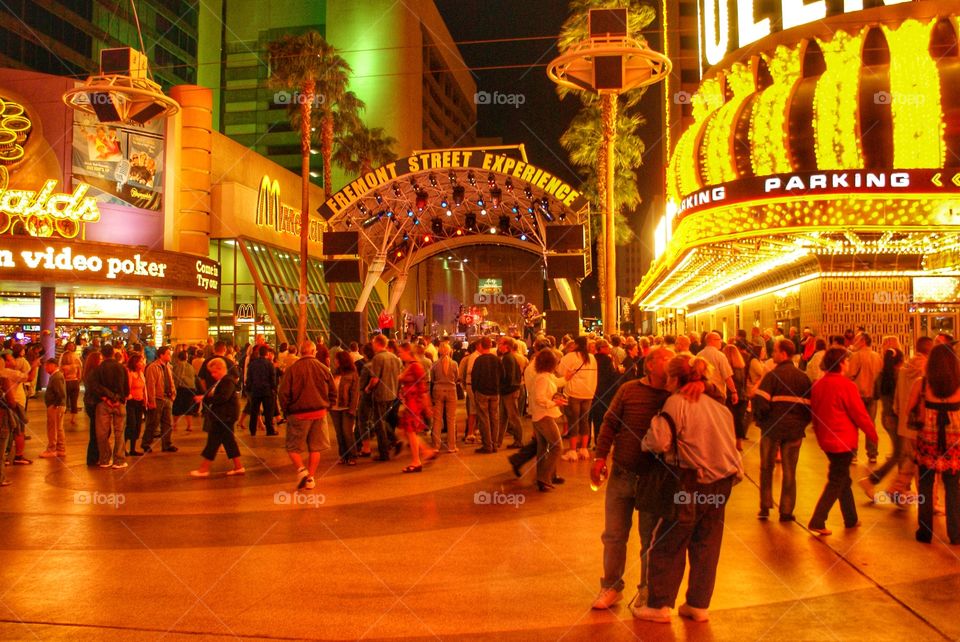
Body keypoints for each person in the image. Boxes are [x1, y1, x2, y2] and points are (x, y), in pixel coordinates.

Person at [634, 355, 743, 623]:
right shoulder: (719, 406)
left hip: (689, 483)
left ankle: (659, 606)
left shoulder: (675, 402)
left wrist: (644, 442)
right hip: (723, 483)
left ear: (674, 378)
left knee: (668, 543)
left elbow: (659, 442)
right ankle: (698, 605)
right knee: (707, 545)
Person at [808, 347, 879, 536]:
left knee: (843, 478)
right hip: (843, 440)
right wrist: (873, 434)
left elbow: (814, 415)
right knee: (836, 480)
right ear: (841, 363)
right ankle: (818, 519)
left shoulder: (818, 385)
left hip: (827, 440)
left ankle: (851, 518)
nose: (848, 364)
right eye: (846, 361)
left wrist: (819, 434)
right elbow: (859, 414)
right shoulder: (847, 386)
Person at [752, 339, 811, 522]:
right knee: (789, 471)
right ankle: (786, 511)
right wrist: (800, 424)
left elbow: (760, 401)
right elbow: (809, 408)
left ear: (784, 354)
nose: (773, 355)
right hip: (794, 431)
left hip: (772, 429)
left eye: (775, 351)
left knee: (766, 468)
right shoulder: (803, 377)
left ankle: (765, 506)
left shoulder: (772, 376)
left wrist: (763, 421)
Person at [912, 344, 960, 544]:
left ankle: (925, 532)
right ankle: (956, 533)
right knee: (953, 487)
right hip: (954, 443)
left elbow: (908, 409)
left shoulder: (922, 384)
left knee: (925, 485)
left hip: (927, 442)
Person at [278, 340, 336, 490]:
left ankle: (301, 470)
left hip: (298, 413)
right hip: (319, 412)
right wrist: (329, 405)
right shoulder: (323, 368)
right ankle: (310, 478)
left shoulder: (292, 369)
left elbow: (283, 393)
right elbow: (332, 391)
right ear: (314, 351)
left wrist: (287, 410)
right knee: (315, 447)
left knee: (292, 447)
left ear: (300, 352)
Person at [189, 357, 244, 477]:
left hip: (225, 416)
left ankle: (204, 469)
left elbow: (223, 397)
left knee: (214, 442)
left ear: (221, 369)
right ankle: (238, 467)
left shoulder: (227, 381)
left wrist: (205, 398)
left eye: (214, 372)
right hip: (223, 416)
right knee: (227, 442)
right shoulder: (224, 380)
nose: (212, 375)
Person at [528, 348, 567, 491]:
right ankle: (545, 478)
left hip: (542, 415)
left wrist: (568, 377)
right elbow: (539, 399)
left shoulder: (546, 376)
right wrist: (555, 403)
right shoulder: (543, 378)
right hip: (544, 415)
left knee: (543, 448)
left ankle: (547, 476)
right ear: (551, 363)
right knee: (557, 446)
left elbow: (557, 382)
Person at [396, 342, 437, 472]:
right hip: (410, 401)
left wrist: (427, 407)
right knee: (406, 431)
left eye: (401, 352)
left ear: (408, 352)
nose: (400, 355)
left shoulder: (415, 367)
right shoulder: (411, 365)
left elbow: (423, 389)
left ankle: (417, 460)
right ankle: (426, 452)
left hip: (413, 402)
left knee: (410, 431)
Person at [90, 344, 130, 469]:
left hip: (103, 403)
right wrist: (119, 398)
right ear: (113, 353)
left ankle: (104, 459)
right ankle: (119, 460)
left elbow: (94, 387)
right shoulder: (121, 368)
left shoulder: (98, 369)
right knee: (120, 432)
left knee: (102, 432)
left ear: (102, 354)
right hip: (119, 403)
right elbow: (126, 387)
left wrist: (106, 398)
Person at [558, 336, 598, 461]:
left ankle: (572, 450)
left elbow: (560, 372)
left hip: (573, 393)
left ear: (575, 344)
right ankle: (584, 449)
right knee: (584, 421)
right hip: (588, 393)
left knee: (573, 421)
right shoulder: (591, 358)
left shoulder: (570, 357)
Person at [365, 334, 402, 461]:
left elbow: (375, 379)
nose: (373, 345)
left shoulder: (378, 358)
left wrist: (368, 388)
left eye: (374, 343)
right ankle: (394, 440)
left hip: (380, 394)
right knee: (383, 420)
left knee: (379, 423)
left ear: (377, 343)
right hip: (392, 393)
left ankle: (384, 453)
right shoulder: (395, 358)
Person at [847, 333, 883, 463]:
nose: (855, 342)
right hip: (872, 395)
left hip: (858, 394)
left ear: (863, 341)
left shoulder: (856, 356)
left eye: (857, 339)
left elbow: (850, 374)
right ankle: (872, 453)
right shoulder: (877, 356)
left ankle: (853, 454)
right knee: (870, 424)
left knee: (853, 424)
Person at [470, 336, 502, 453]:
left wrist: (475, 390)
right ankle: (494, 444)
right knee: (495, 418)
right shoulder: (497, 359)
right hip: (495, 392)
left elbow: (474, 377)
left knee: (484, 419)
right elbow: (502, 375)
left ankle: (487, 445)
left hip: (482, 392)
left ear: (480, 346)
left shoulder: (479, 360)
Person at [142, 346, 177, 453]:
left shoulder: (168, 366)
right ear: (161, 355)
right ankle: (146, 443)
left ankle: (166, 444)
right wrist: (151, 400)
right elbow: (150, 384)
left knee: (167, 423)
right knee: (153, 422)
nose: (170, 355)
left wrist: (173, 393)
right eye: (168, 353)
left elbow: (171, 381)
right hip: (158, 398)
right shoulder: (153, 367)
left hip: (167, 397)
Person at [330, 349, 360, 465]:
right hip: (334, 407)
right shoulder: (335, 373)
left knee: (347, 432)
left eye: (337, 359)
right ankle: (343, 455)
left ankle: (353, 455)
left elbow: (355, 393)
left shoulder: (352, 374)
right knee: (339, 433)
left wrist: (353, 408)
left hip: (346, 407)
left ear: (342, 360)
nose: (335, 361)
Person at [430, 342, 459, 453]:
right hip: (451, 390)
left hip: (437, 391)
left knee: (437, 420)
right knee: (451, 419)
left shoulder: (435, 364)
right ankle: (452, 446)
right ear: (449, 351)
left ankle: (436, 446)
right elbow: (456, 378)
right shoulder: (454, 364)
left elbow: (432, 379)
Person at [497, 337, 524, 449]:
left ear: (506, 345)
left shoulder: (507, 359)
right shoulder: (510, 357)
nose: (499, 345)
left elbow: (508, 377)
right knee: (503, 417)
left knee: (513, 417)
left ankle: (518, 440)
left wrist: (501, 386)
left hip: (509, 391)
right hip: (509, 390)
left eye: (500, 344)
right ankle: (498, 441)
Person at [245, 345, 277, 436]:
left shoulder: (252, 364)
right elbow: (272, 378)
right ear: (267, 354)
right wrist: (274, 389)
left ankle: (252, 430)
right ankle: (270, 430)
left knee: (254, 411)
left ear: (259, 353)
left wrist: (249, 388)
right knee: (268, 412)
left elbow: (249, 378)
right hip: (267, 390)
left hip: (255, 390)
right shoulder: (269, 364)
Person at [722, 343, 748, 451]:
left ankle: (729, 441)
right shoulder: (741, 367)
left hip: (730, 395)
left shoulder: (727, 368)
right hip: (742, 396)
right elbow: (744, 383)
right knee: (739, 420)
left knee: (728, 419)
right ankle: (739, 442)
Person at [40, 359, 66, 458]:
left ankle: (52, 449)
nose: (45, 368)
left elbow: (60, 393)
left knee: (53, 428)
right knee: (58, 428)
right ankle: (61, 449)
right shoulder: (56, 376)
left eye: (47, 366)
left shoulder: (56, 377)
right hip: (58, 405)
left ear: (53, 365)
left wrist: (55, 405)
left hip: (56, 406)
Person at [82, 351, 103, 466]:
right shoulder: (93, 373)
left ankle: (93, 457)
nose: (101, 361)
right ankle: (93, 457)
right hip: (93, 403)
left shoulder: (89, 372)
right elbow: (96, 389)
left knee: (95, 430)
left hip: (90, 402)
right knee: (96, 431)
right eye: (99, 359)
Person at [172, 350, 198, 433]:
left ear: (178, 357)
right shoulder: (190, 366)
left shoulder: (178, 365)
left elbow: (177, 377)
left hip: (181, 388)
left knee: (176, 407)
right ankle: (189, 426)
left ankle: (175, 425)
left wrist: (174, 388)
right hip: (191, 388)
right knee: (188, 407)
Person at [125, 354, 146, 457]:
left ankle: (133, 448)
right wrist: (129, 396)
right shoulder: (130, 373)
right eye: (141, 361)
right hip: (131, 402)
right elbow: (127, 387)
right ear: (135, 363)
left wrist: (145, 399)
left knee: (138, 425)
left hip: (140, 401)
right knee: (131, 425)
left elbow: (143, 387)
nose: (142, 363)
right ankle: (123, 447)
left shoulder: (141, 373)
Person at [59, 342, 82, 427]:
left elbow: (61, 373)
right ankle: (73, 418)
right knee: (74, 401)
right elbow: (80, 373)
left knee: (65, 400)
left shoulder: (63, 365)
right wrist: (78, 379)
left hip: (67, 382)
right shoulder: (76, 364)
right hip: (74, 381)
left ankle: (62, 418)